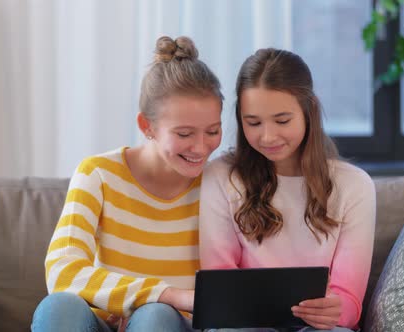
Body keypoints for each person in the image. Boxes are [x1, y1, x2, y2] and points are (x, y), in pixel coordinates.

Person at [32, 35, 223, 332]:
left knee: (155, 315)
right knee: (59, 306)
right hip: (105, 323)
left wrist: (159, 304)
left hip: (172, 326)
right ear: (147, 126)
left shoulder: (221, 184)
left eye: (213, 130)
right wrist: (167, 294)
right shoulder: (98, 174)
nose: (200, 148)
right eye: (184, 134)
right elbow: (62, 270)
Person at [199, 48, 375, 332]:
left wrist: (336, 309)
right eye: (253, 122)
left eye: (282, 121)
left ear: (309, 110)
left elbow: (350, 303)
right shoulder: (220, 176)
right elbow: (220, 282)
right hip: (244, 325)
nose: (267, 136)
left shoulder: (354, 186)